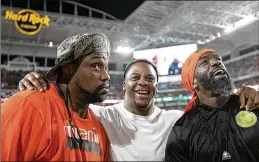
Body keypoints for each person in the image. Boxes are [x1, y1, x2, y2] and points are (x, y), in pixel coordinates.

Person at [17, 57, 259, 161]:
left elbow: (212, 108)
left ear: (156, 87)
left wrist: (240, 96)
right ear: (124, 85)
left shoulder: (177, 119)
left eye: (150, 79)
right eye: (135, 77)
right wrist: (35, 84)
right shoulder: (102, 115)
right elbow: (63, 106)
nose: (143, 82)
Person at [1, 33, 111, 161]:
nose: (106, 76)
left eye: (106, 67)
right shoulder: (26, 107)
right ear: (68, 69)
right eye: (95, 66)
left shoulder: (100, 127)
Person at [165, 48, 259, 162]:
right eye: (205, 62)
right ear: (193, 81)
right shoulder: (182, 130)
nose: (216, 62)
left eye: (219, 60)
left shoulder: (251, 104)